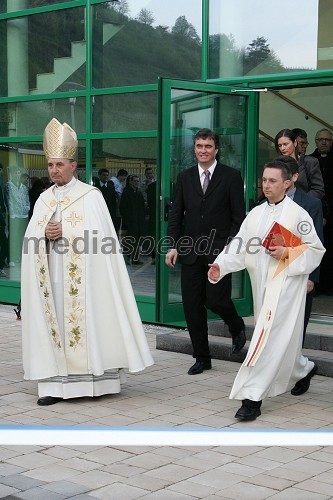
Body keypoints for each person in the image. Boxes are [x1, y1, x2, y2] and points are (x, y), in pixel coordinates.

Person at [21, 118, 153, 406]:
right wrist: (44, 232)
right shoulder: (44, 199)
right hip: (53, 277)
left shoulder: (91, 197)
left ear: (73, 166)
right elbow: (30, 237)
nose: (54, 170)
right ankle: (55, 386)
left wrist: (65, 232)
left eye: (60, 165)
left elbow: (101, 241)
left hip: (86, 280)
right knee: (54, 323)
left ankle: (95, 383)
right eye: (51, 165)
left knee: (90, 320)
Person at [208, 160, 325, 421]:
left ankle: (252, 398)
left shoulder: (299, 215)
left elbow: (316, 250)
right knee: (278, 340)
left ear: (287, 182)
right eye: (264, 180)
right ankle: (303, 369)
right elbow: (240, 245)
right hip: (262, 287)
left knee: (266, 339)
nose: (267, 185)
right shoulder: (256, 214)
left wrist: (287, 252)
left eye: (273, 181)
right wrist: (221, 265)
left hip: (287, 287)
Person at [165, 128, 246, 376]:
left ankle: (236, 325)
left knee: (216, 300)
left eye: (208, 146)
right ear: (195, 149)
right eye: (199, 146)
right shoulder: (184, 177)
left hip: (218, 253)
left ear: (216, 149)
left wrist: (229, 248)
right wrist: (172, 245)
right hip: (190, 251)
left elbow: (238, 217)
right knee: (192, 305)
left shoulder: (231, 176)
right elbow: (176, 213)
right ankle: (202, 357)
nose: (203, 150)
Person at [273, 156, 323, 345]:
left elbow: (316, 243)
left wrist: (312, 277)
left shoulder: (311, 204)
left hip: (301, 272)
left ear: (293, 177)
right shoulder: (265, 205)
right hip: (274, 273)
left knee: (297, 325)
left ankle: (295, 365)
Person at [309, 128, 333, 295]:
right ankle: (315, 285)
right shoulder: (309, 160)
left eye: (327, 139)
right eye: (320, 139)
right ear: (315, 141)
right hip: (314, 213)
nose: (324, 142)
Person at [275, 129, 324, 199]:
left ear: (295, 143)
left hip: (305, 206)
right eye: (280, 145)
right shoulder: (276, 164)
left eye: (285, 144)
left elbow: (318, 189)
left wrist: (300, 202)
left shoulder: (309, 162)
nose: (282, 148)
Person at [4, 169, 30, 264]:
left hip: (24, 214)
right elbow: (8, 200)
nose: (17, 174)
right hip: (14, 215)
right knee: (13, 237)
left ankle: (19, 256)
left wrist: (27, 208)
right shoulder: (8, 185)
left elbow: (26, 199)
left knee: (21, 236)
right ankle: (11, 258)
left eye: (18, 173)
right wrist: (12, 212)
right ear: (11, 174)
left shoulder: (24, 187)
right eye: (15, 172)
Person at [120, 174, 146, 265]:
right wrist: (128, 220)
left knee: (138, 242)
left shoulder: (139, 193)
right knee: (129, 241)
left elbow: (143, 207)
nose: (136, 183)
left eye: (137, 181)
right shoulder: (126, 193)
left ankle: (135, 259)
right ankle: (127, 259)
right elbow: (123, 208)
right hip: (131, 222)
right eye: (134, 181)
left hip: (139, 222)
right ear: (130, 182)